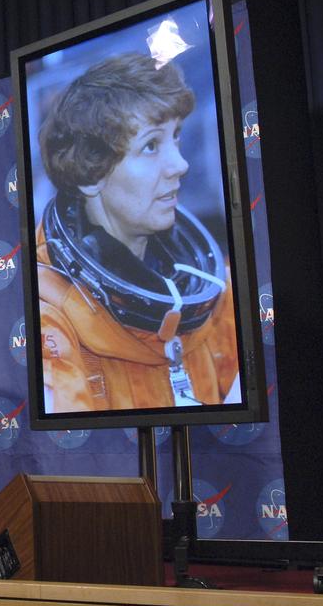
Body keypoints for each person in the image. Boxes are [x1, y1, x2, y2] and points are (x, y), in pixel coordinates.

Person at [35, 52, 239, 413]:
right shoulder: (48, 324)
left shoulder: (211, 291)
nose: (181, 164)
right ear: (91, 173)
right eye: (150, 145)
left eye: (176, 137)